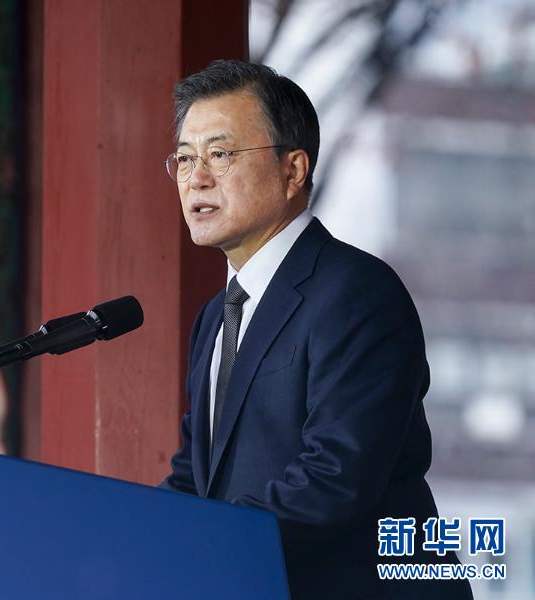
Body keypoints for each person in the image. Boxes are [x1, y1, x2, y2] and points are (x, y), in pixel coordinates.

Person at [160, 60, 473, 599]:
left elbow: (335, 478)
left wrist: (208, 546)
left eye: (221, 154)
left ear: (293, 170)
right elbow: (196, 476)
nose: (197, 178)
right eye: (185, 158)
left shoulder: (356, 292)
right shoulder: (217, 316)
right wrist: (131, 541)